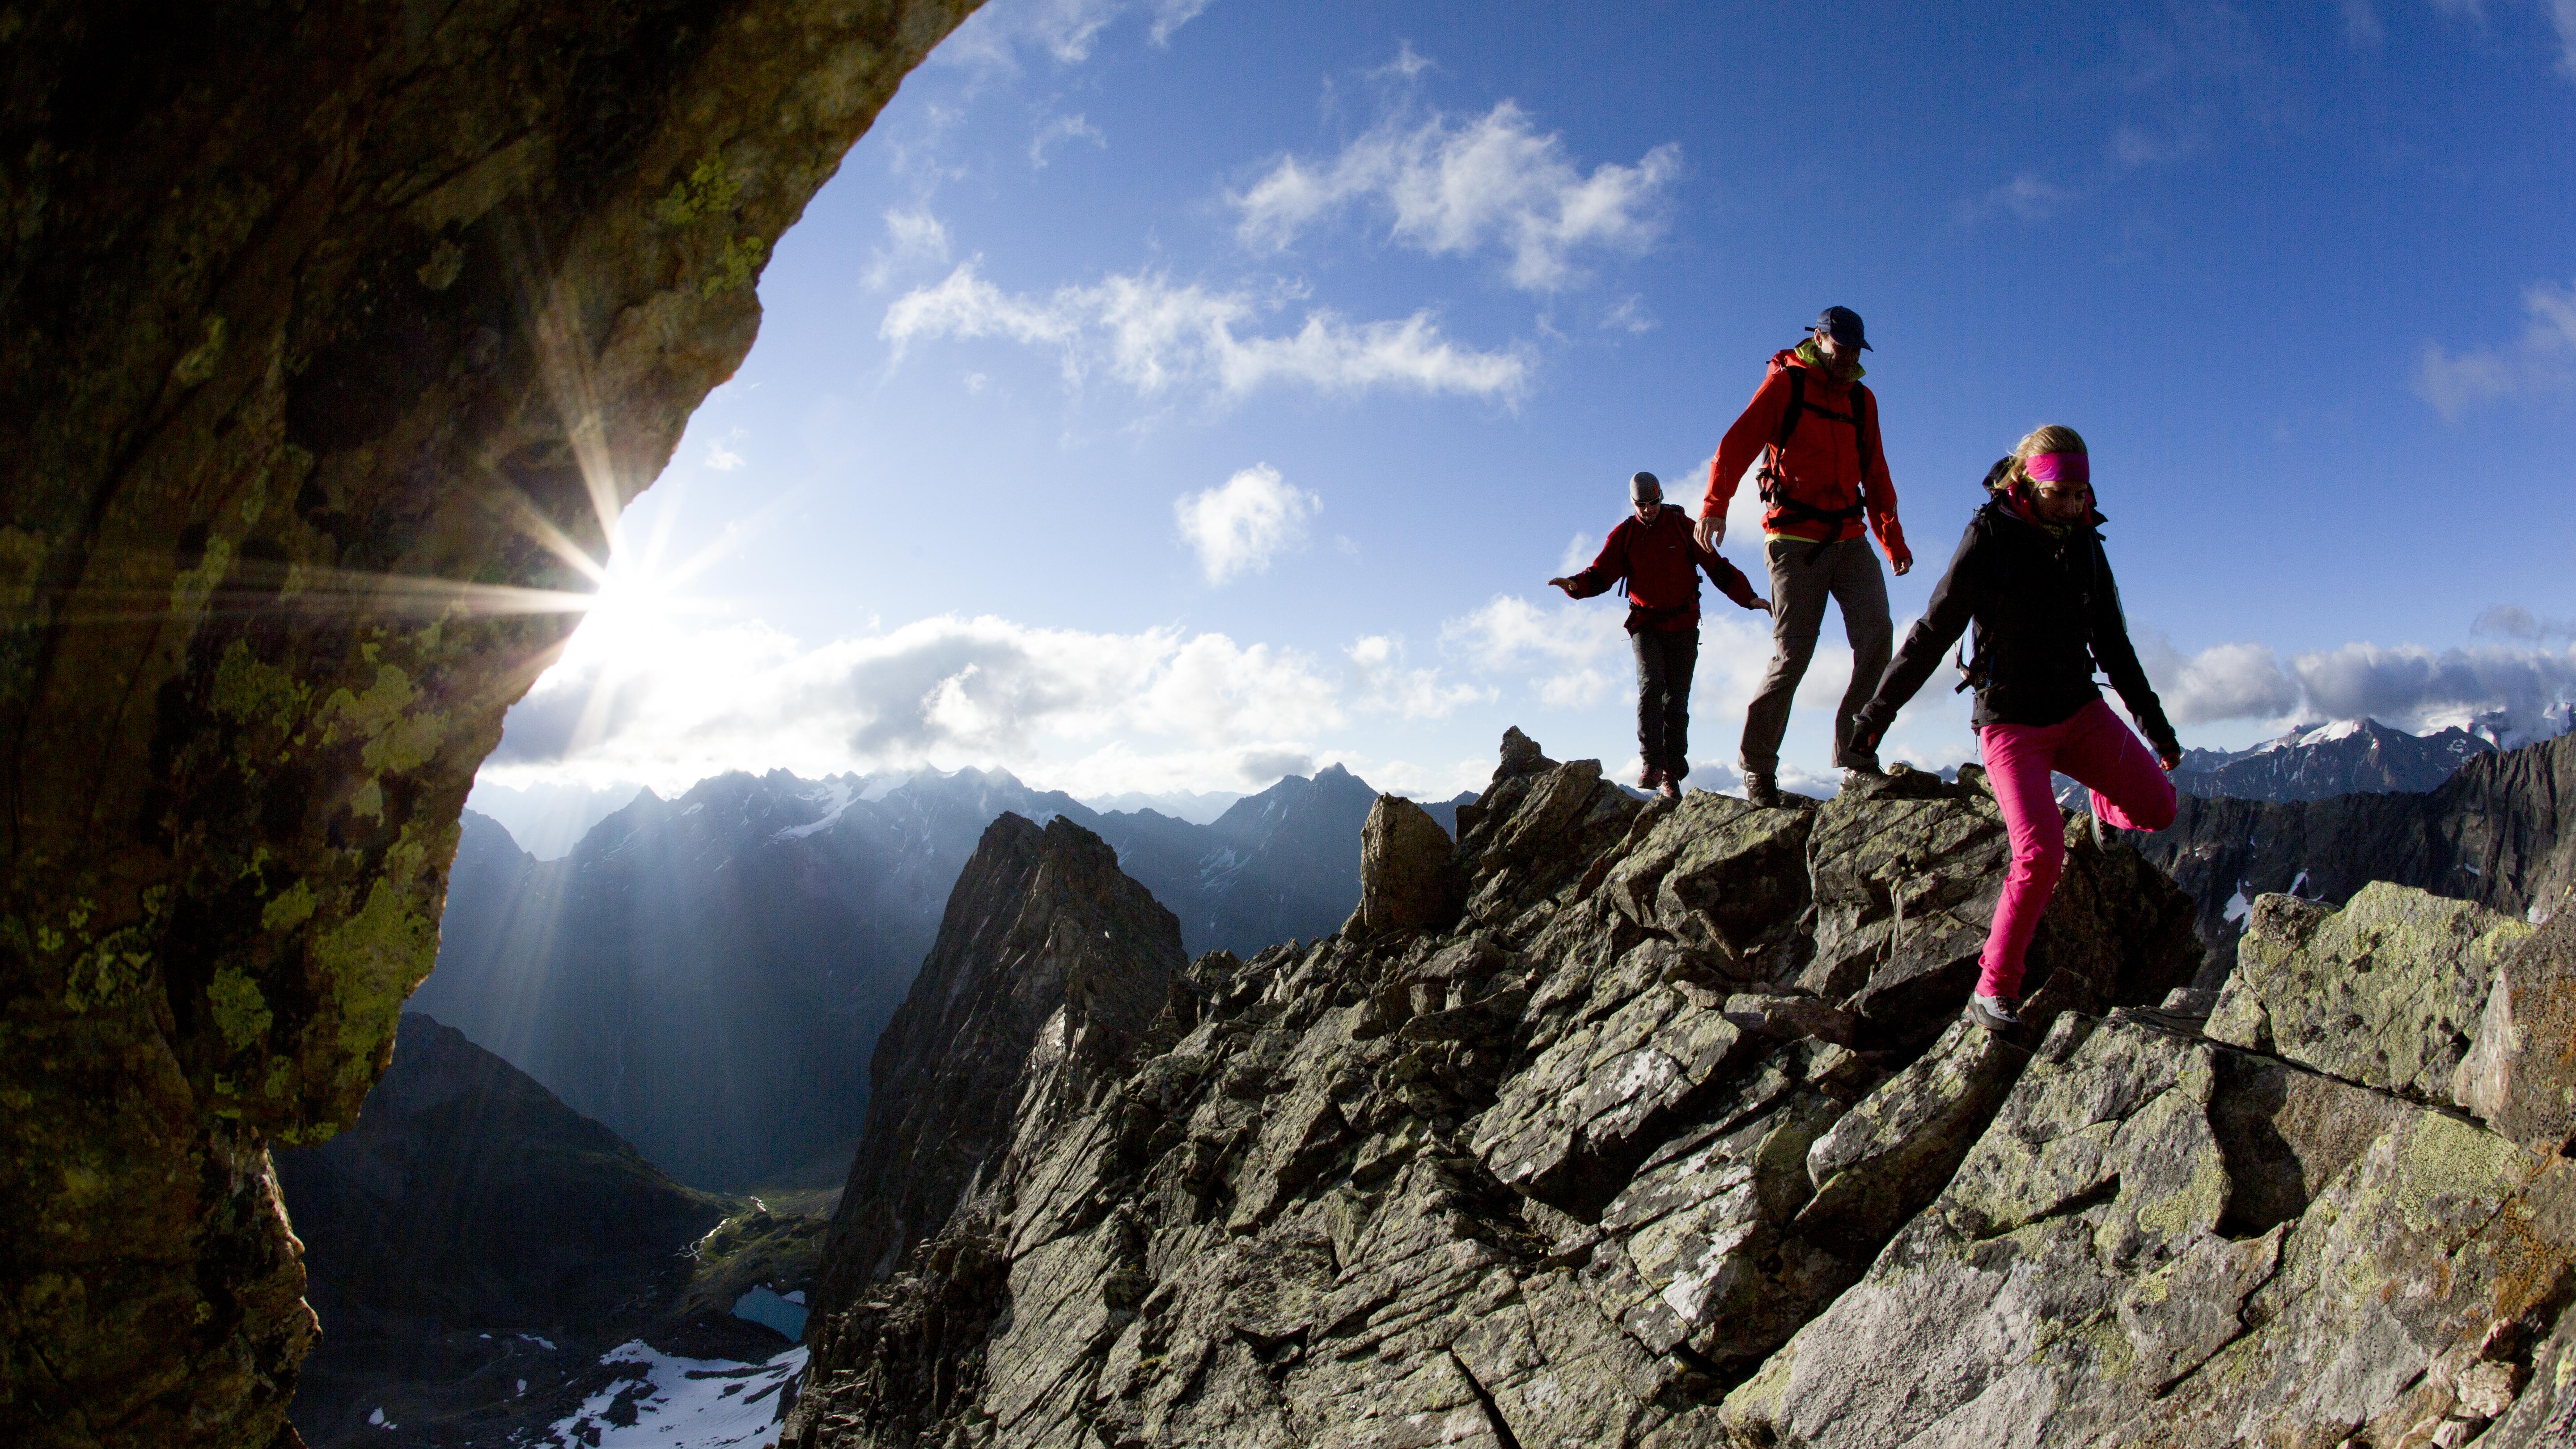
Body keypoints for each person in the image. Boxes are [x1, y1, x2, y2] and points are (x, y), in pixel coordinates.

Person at [1847, 425, 2182, 1033]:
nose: (2077, 504)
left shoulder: (2083, 541)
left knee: (2160, 809)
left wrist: (2155, 728)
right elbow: (1934, 630)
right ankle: (1993, 990)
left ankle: (2103, 807)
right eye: (2065, 493)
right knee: (2042, 850)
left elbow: (2112, 641)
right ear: (2028, 481)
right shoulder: (1991, 535)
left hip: (2079, 711)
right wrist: (1876, 715)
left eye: (2083, 493)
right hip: (2011, 725)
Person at [1696, 305, 1913, 807]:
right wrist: (1715, 507)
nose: (1849, 359)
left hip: (1849, 537)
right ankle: (1757, 769)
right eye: (1842, 348)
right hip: (1792, 540)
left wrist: (1892, 539)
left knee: (1878, 638)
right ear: (1819, 339)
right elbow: (1735, 446)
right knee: (1794, 654)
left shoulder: (1863, 401)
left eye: (1857, 351)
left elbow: (1876, 474)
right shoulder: (1786, 386)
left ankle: (1855, 755)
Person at [1551, 472, 1771, 799]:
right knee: (1652, 686)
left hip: (1684, 625)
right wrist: (1576, 586)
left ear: (1662, 498)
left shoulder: (1683, 527)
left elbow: (1717, 567)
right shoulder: (1625, 535)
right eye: (1642, 504)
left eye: (1654, 503)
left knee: (1677, 703)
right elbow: (1601, 575)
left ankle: (1671, 773)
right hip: (1646, 625)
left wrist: (1749, 598)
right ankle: (1653, 765)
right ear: (1633, 504)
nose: (1649, 510)